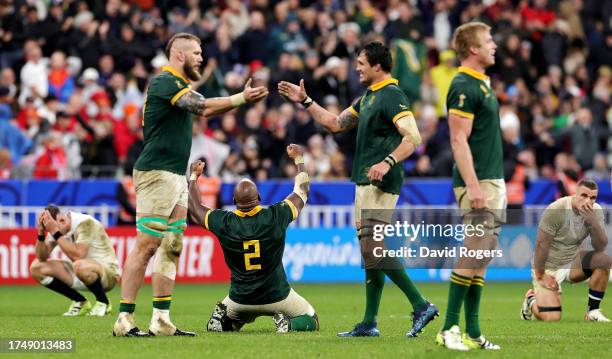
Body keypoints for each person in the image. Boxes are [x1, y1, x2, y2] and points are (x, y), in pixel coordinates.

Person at [113, 32, 268, 337]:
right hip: (156, 172)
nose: (201, 57)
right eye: (196, 53)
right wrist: (240, 98)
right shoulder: (165, 81)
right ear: (179, 56)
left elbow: (203, 107)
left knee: (172, 244)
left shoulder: (178, 85)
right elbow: (201, 106)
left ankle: (160, 319)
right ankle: (124, 319)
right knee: (146, 244)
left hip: (174, 174)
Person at [278, 42, 438, 338]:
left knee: (373, 248)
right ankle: (368, 322)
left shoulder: (392, 95)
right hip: (364, 182)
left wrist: (387, 162)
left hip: (381, 182)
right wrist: (305, 100)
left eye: (361, 63)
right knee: (370, 253)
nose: (357, 67)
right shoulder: (367, 98)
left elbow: (413, 136)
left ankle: (420, 304)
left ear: (378, 66)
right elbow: (336, 124)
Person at [187, 144, 319, 333]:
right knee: (311, 318)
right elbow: (302, 191)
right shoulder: (275, 215)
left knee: (233, 319)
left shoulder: (224, 222)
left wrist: (194, 176)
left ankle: (223, 321)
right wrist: (299, 159)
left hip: (240, 300)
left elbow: (195, 209)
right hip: (277, 296)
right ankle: (287, 324)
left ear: (234, 202)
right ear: (258, 196)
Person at [435, 22, 504, 351]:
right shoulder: (463, 84)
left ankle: (473, 332)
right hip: (479, 182)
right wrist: (474, 186)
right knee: (474, 248)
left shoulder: (482, 83)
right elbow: (458, 139)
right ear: (472, 48)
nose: (494, 44)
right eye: (488, 40)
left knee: (483, 254)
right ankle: (449, 327)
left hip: (492, 178)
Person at [521, 179, 611, 322]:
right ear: (575, 194)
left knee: (604, 260)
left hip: (572, 262)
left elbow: (600, 247)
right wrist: (541, 275)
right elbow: (541, 244)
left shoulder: (596, 211)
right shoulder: (557, 209)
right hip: (548, 265)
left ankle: (592, 312)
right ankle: (531, 299)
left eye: (593, 197)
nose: (588, 201)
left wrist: (594, 223)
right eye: (584, 195)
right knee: (551, 317)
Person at [30, 205, 119, 317]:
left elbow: (78, 255)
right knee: (36, 268)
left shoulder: (85, 223)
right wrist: (41, 234)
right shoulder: (58, 226)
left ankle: (103, 302)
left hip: (107, 274)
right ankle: (80, 302)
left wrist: (55, 232)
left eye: (52, 229)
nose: (52, 233)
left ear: (62, 220)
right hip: (81, 270)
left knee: (79, 265)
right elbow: (41, 257)